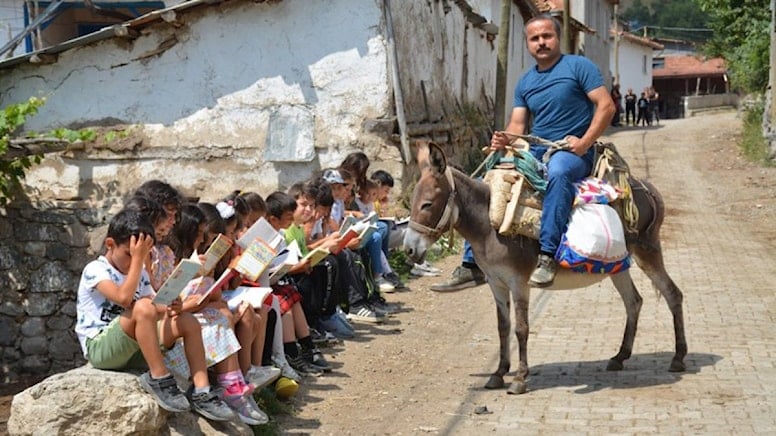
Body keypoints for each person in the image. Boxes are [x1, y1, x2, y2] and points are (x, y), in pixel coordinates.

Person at [490, 14, 615, 287]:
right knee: (491, 177)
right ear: (527, 44)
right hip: (535, 151)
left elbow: (606, 106)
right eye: (534, 38)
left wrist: (583, 144)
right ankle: (471, 261)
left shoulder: (579, 66)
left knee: (558, 172)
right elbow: (518, 124)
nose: (541, 42)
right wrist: (504, 140)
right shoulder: (524, 83)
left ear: (558, 38)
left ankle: (548, 255)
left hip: (572, 152)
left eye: (547, 36)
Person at [74, 209, 234, 421]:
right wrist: (140, 259)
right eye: (129, 254)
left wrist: (173, 306)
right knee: (142, 306)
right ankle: (159, 378)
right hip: (102, 349)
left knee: (187, 321)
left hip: (135, 346)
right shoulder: (95, 269)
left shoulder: (138, 271)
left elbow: (155, 305)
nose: (134, 262)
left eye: (139, 255)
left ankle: (201, 391)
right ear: (110, 245)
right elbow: (124, 298)